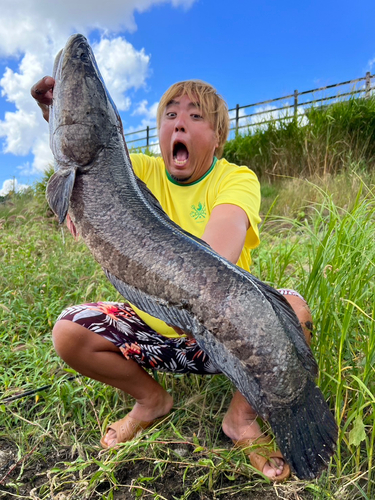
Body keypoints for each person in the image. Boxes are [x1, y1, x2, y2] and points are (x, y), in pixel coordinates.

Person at [31, 77, 313, 482]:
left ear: (217, 138)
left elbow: (216, 256)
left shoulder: (236, 179)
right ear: (159, 129)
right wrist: (60, 118)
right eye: (171, 114)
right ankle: (151, 401)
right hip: (155, 336)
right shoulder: (136, 171)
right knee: (69, 332)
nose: (179, 123)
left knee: (293, 311)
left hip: (223, 342)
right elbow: (90, 160)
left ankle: (239, 420)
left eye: (195, 116)